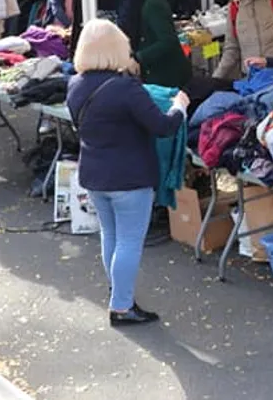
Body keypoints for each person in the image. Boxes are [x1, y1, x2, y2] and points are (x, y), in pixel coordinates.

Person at [66, 19, 190, 327]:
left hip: (94, 174)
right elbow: (163, 127)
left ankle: (117, 292)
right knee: (130, 241)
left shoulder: (75, 84)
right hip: (130, 177)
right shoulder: (125, 88)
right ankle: (121, 305)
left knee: (110, 235)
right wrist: (180, 106)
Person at [118, 0, 192, 89]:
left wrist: (140, 57)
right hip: (158, 74)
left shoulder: (152, 5)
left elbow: (168, 40)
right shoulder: (140, 3)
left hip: (167, 76)